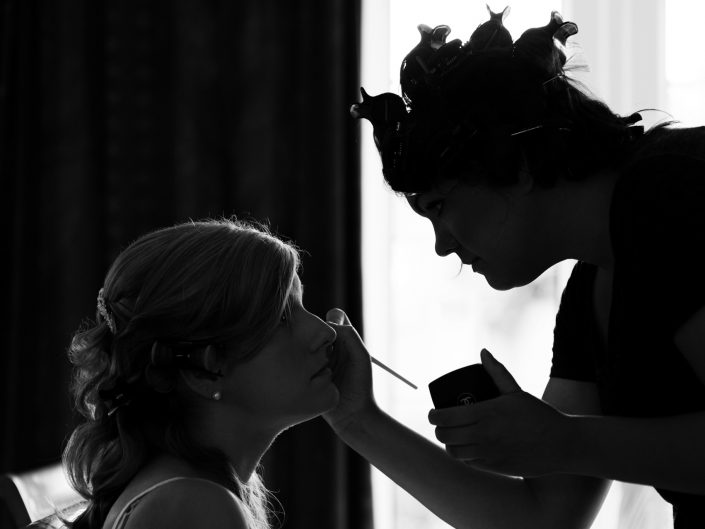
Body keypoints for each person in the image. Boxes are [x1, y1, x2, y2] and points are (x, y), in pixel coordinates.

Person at [331, 6, 705, 528]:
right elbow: (542, 518)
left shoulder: (672, 193)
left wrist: (569, 441)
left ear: (518, 166)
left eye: (439, 207)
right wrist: (357, 420)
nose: (441, 246)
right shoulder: (594, 285)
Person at [62, 219, 338, 529]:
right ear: (205, 371)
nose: (325, 332)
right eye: (282, 317)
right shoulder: (193, 506)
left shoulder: (192, 490)